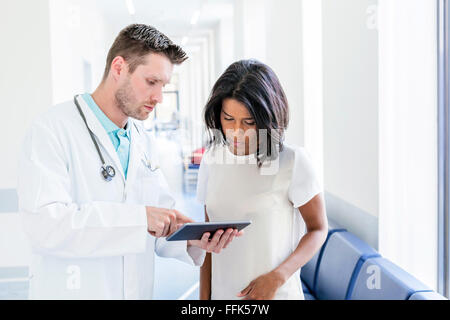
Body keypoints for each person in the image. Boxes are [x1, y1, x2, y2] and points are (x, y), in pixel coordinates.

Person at [17, 24, 241, 300]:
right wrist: (140, 218)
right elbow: (45, 226)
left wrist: (191, 237)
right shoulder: (52, 130)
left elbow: (157, 224)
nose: (159, 97)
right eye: (151, 82)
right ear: (119, 67)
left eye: (164, 86)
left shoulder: (141, 140)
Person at [197, 60, 328, 300]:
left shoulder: (292, 161)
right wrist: (204, 299)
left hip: (276, 294)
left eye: (249, 122)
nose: (237, 131)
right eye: (228, 119)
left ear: (268, 118)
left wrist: (278, 277)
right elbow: (209, 245)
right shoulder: (212, 159)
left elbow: (318, 229)